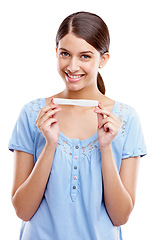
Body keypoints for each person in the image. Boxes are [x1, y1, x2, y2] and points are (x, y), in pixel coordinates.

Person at [8, 11, 147, 240]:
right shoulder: (33, 114)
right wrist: (50, 145)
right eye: (65, 54)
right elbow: (22, 210)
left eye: (85, 56)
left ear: (103, 60)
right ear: (56, 53)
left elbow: (120, 217)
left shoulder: (126, 119)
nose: (72, 66)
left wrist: (105, 148)